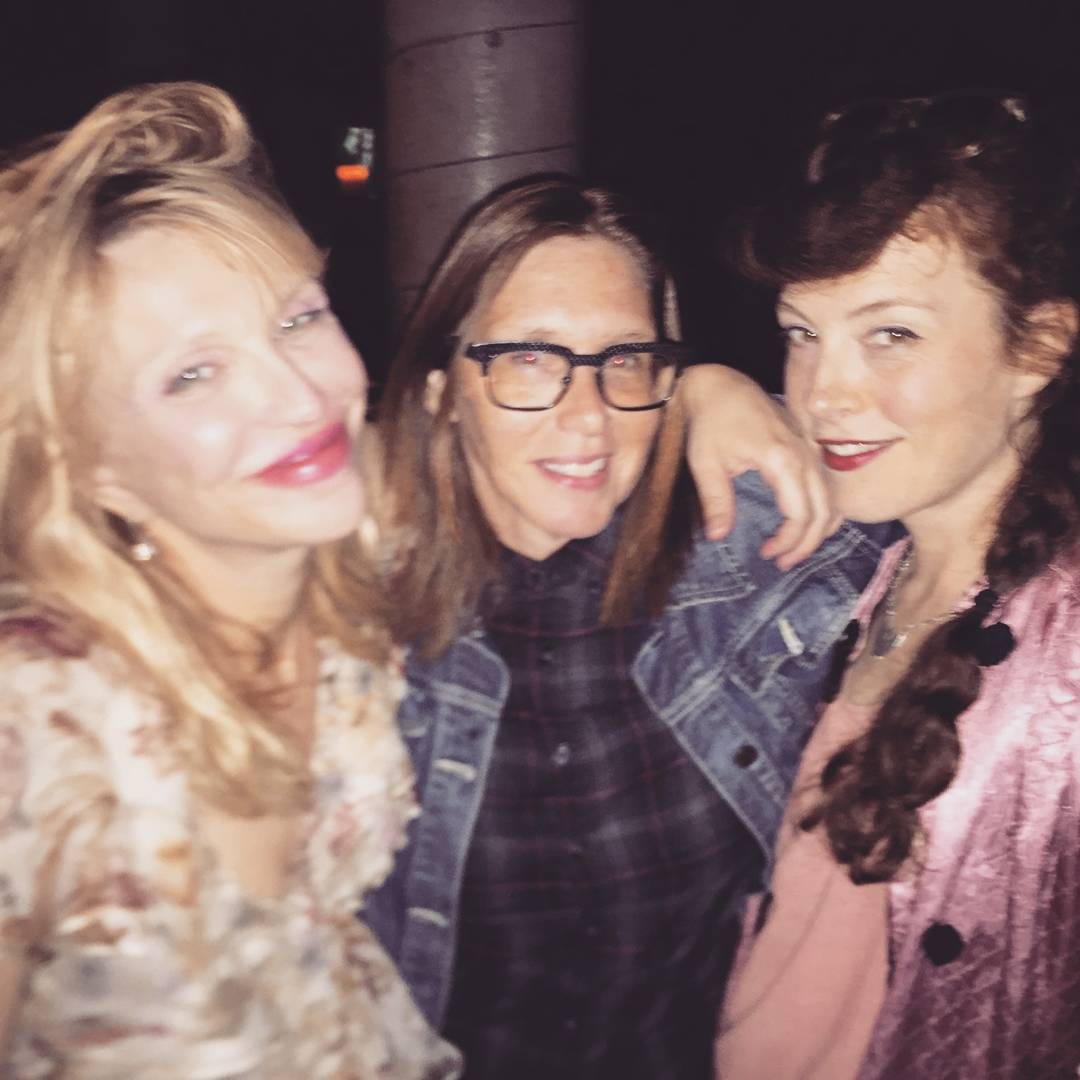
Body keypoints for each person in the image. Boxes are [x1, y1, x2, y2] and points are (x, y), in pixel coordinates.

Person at [362, 175, 893, 1079]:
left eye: (625, 360)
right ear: (445, 392)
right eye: (529, 358)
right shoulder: (344, 618)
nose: (589, 415)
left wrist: (718, 391)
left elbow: (943, 510)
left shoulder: (742, 553)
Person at [0, 82, 460, 1078]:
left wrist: (704, 392)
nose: (300, 397)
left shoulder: (339, 538)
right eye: (191, 374)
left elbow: (520, 444)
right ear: (92, 467)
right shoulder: (35, 722)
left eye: (297, 319)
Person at [715, 92, 1080, 1079]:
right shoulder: (850, 568)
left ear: (1038, 350)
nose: (823, 393)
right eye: (801, 332)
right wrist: (702, 391)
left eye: (892, 335)